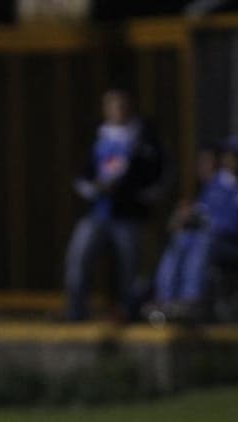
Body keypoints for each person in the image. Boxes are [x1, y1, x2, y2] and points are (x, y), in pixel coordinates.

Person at [148, 135, 238, 322]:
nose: (232, 161)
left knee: (203, 242)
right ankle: (166, 298)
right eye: (229, 156)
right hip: (212, 239)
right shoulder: (217, 184)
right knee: (181, 238)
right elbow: (202, 210)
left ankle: (192, 299)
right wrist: (186, 216)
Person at [63, 88, 164, 322]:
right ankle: (76, 312)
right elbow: (80, 173)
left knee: (130, 267)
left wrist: (137, 193)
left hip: (129, 214)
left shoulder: (144, 137)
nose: (118, 110)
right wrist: (94, 188)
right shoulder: (97, 136)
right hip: (98, 211)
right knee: (79, 259)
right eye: (113, 105)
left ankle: (129, 312)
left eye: (122, 105)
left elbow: (159, 174)